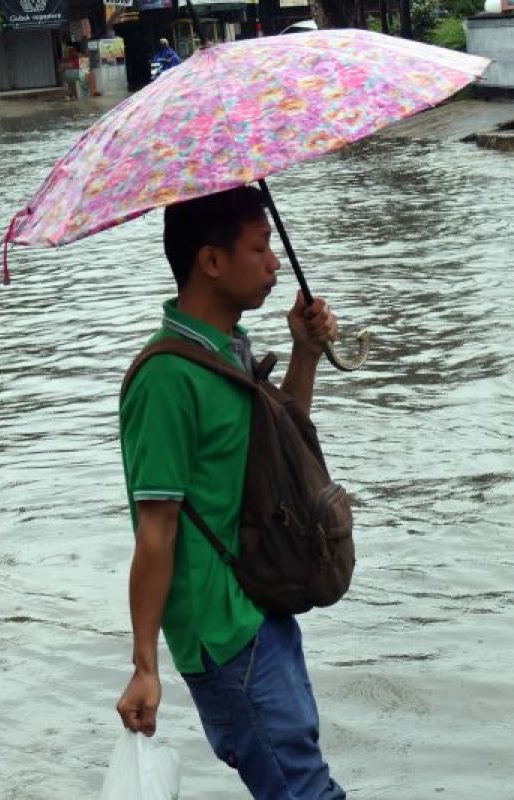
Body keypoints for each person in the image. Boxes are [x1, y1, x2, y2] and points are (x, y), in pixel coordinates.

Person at [116, 186, 345, 799]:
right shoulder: (167, 378)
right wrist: (145, 666)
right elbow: (155, 530)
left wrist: (305, 352)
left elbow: (280, 456)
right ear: (211, 262)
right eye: (258, 247)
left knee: (300, 780)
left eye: (273, 246)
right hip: (225, 634)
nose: (274, 262)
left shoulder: (225, 353)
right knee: (305, 790)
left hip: (262, 607)